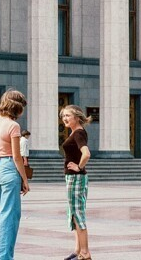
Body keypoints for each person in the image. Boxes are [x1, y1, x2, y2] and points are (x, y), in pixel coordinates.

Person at [0, 89, 30, 260]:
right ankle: (3, 257)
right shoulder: (14, 126)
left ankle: (0, 255)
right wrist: (25, 179)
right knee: (10, 216)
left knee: (3, 213)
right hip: (9, 167)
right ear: (18, 107)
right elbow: (17, 157)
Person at [61, 105, 93, 260]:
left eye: (68, 115)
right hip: (73, 178)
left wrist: (79, 167)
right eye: (63, 116)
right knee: (73, 213)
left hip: (76, 178)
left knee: (78, 214)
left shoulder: (78, 133)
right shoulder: (75, 132)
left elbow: (86, 154)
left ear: (77, 117)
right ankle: (78, 250)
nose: (65, 118)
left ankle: (85, 253)